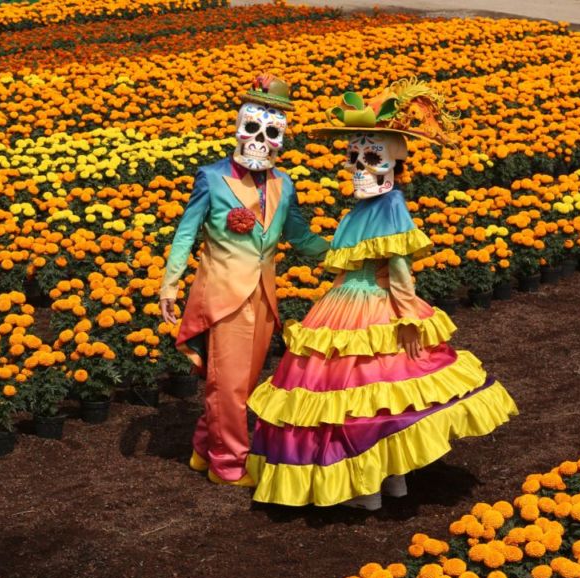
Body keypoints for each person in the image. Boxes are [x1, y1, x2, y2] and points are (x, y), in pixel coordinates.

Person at [246, 79, 518, 509]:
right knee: (364, 398)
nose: (359, 166)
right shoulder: (365, 206)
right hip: (345, 303)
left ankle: (373, 486)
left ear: (394, 163)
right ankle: (388, 483)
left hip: (373, 305)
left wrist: (409, 316)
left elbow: (398, 267)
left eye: (371, 158)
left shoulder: (390, 205)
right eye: (353, 156)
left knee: (367, 398)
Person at [160, 74, 330, 487]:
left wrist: (345, 251)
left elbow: (299, 235)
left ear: (280, 140)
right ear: (238, 129)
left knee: (238, 386)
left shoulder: (283, 184)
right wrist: (171, 282)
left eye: (270, 132)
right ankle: (229, 464)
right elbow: (187, 231)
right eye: (252, 128)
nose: (259, 139)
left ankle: (204, 449)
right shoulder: (212, 178)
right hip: (223, 295)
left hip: (263, 298)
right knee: (231, 388)